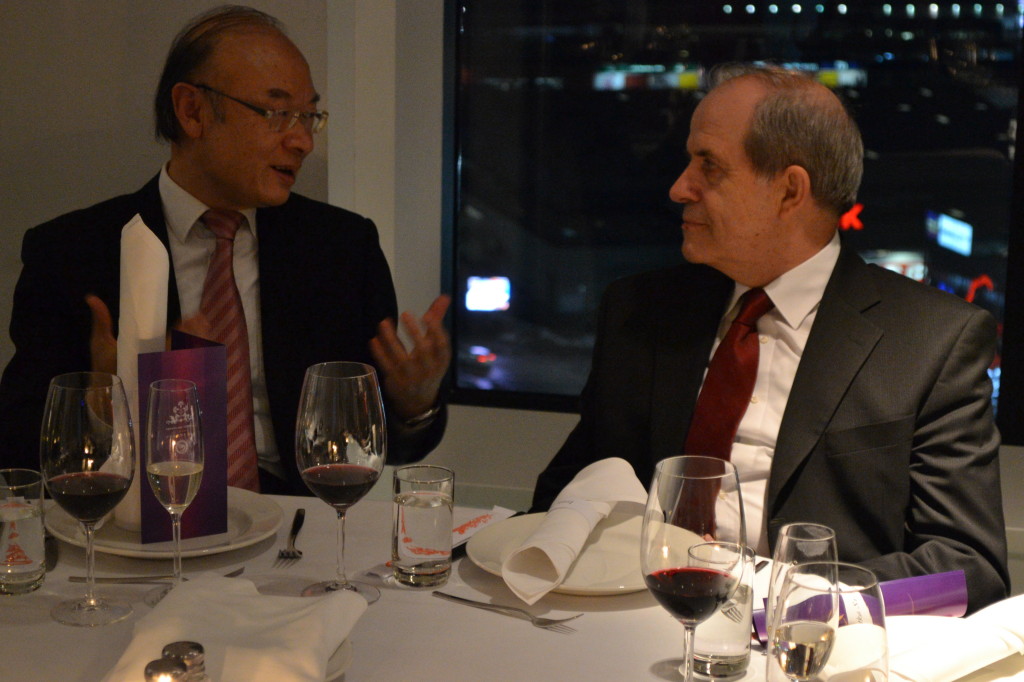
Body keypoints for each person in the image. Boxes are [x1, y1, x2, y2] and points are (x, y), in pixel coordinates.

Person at [531, 63, 1009, 612]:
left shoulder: (932, 341)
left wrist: (799, 603)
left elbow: (968, 567)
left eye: (709, 166)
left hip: (814, 638)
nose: (679, 187)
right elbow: (564, 497)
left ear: (789, 190)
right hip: (636, 618)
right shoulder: (640, 311)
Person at [0, 6, 450, 495]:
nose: (302, 141)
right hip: (145, 521)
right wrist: (99, 410)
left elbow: (379, 445)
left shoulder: (341, 246)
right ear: (192, 111)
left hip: (298, 521)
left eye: (308, 116)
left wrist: (412, 407)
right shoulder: (73, 252)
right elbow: (16, 451)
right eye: (277, 113)